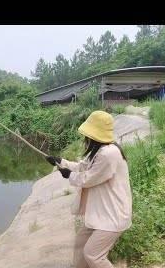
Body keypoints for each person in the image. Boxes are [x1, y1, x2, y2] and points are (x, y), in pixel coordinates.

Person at [45, 110, 132, 268]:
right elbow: (82, 167)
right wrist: (61, 162)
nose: (85, 138)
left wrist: (69, 175)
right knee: (80, 245)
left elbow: (89, 178)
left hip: (112, 216)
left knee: (93, 255)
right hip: (101, 214)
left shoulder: (109, 153)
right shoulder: (99, 150)